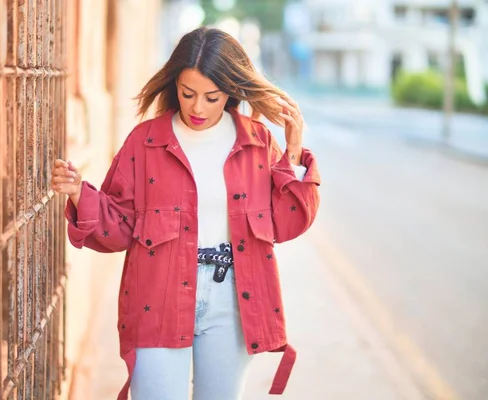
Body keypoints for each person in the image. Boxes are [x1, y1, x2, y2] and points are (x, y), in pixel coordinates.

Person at [51, 26, 320, 400]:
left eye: (212, 97)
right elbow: (119, 228)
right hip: (158, 294)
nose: (197, 108)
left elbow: (286, 223)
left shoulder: (257, 142)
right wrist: (80, 192)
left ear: (230, 91)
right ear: (174, 84)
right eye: (188, 93)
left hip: (232, 298)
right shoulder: (145, 142)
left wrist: (292, 154)